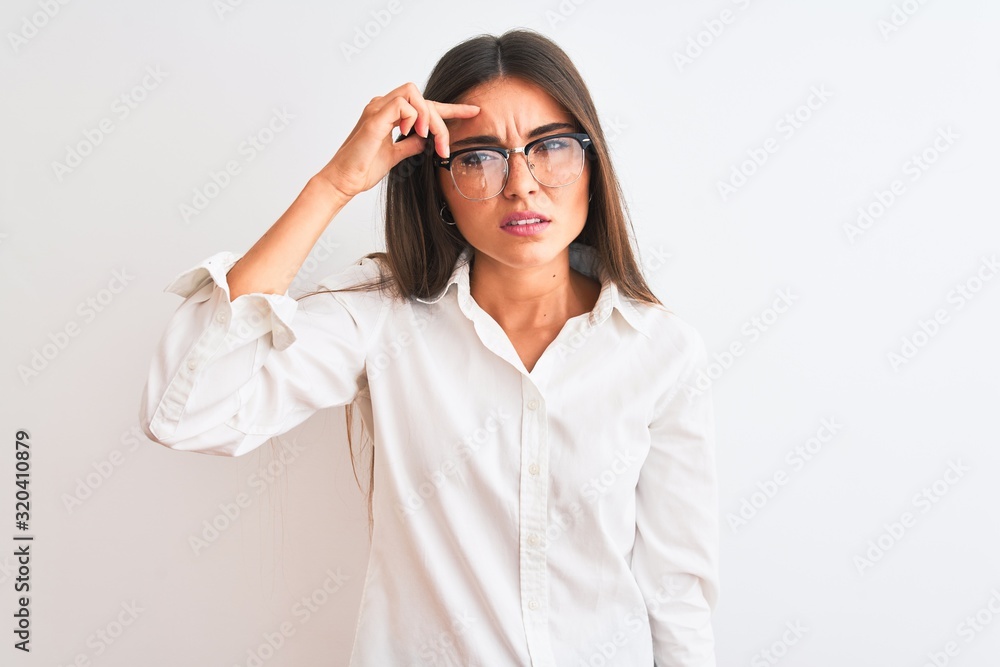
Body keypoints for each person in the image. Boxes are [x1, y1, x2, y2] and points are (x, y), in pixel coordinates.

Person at [139, 28, 719, 666]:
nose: (521, 186)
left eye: (550, 148)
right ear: (437, 182)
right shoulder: (381, 317)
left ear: (592, 163)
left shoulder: (660, 351)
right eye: (477, 158)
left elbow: (676, 594)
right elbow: (184, 413)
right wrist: (334, 184)